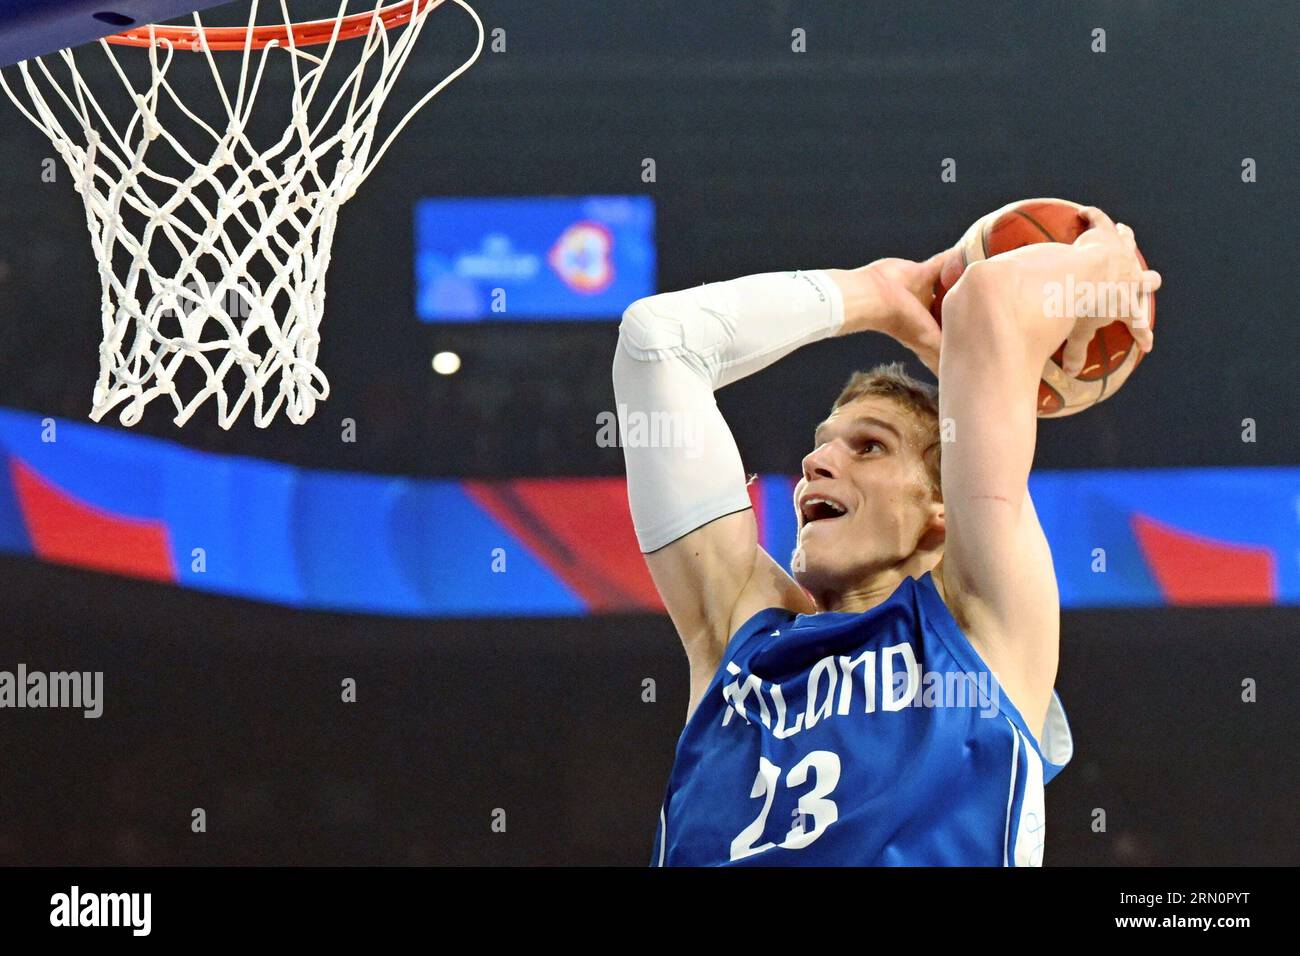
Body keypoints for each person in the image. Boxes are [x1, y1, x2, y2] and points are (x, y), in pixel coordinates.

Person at [612, 207, 1159, 865]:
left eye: (868, 447)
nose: (818, 463)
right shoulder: (742, 635)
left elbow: (988, 300)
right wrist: (875, 294)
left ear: (940, 509)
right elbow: (657, 341)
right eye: (821, 448)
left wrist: (1097, 266)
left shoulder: (980, 625)